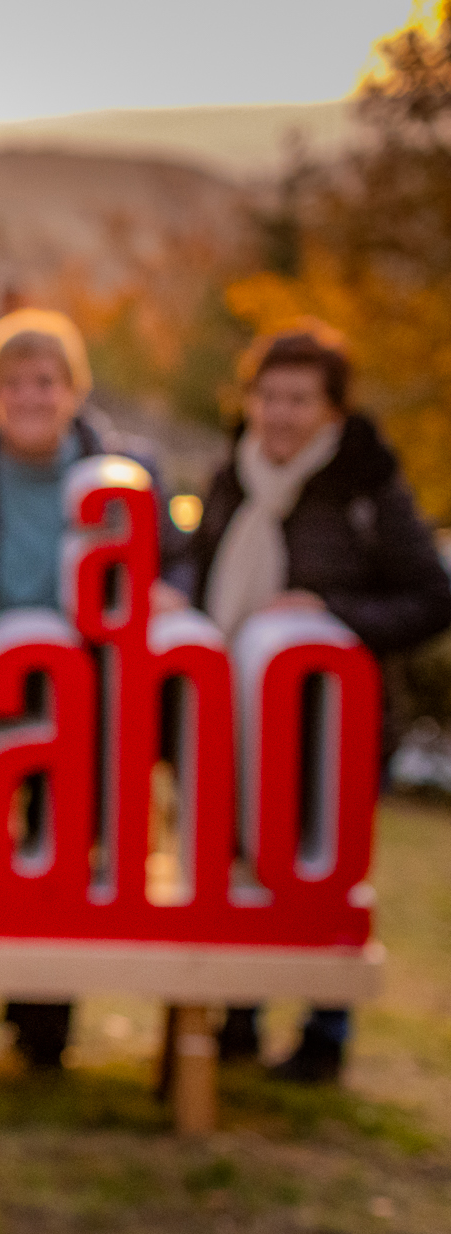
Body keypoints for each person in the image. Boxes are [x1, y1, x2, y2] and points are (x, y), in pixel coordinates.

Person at [0, 309, 192, 1069]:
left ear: (74, 391)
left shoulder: (123, 473)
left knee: (62, 855)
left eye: (45, 382)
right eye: (12, 384)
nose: (29, 397)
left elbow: (173, 558)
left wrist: (168, 588)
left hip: (80, 694)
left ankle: (42, 1024)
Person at [190, 321, 451, 1083]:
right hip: (236, 719)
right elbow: (197, 569)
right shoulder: (231, 477)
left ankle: (322, 1030)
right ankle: (237, 1013)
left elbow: (433, 599)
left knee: (319, 877)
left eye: (299, 399)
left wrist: (329, 609)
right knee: (237, 865)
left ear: (333, 410)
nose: (279, 413)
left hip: (332, 728)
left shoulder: (367, 488)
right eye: (268, 396)